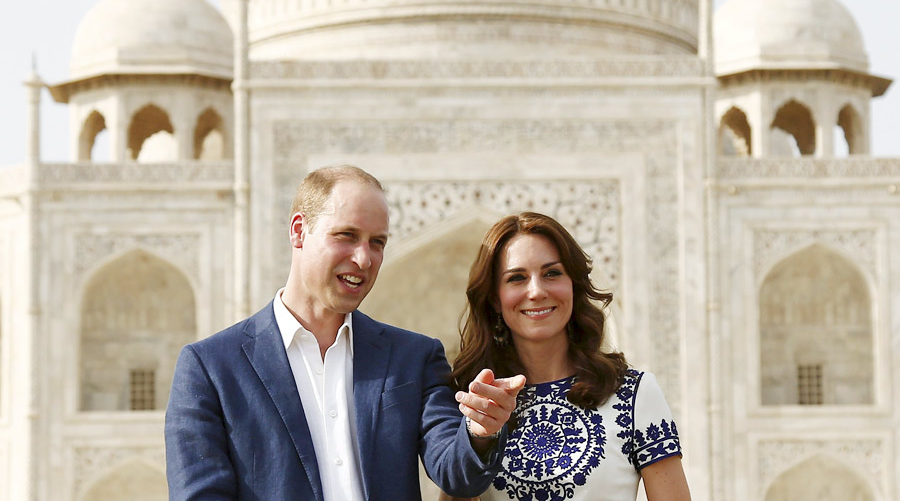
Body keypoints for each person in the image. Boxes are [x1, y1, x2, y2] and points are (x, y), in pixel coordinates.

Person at [165, 165, 525, 501]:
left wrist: (481, 431)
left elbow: (456, 473)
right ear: (298, 231)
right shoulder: (212, 367)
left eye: (377, 243)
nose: (364, 259)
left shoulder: (412, 357)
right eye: (347, 236)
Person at [441, 212, 690, 501]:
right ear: (495, 298)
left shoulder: (633, 394)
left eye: (552, 273)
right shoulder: (474, 403)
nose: (536, 291)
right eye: (517, 278)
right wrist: (479, 437)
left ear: (573, 284)